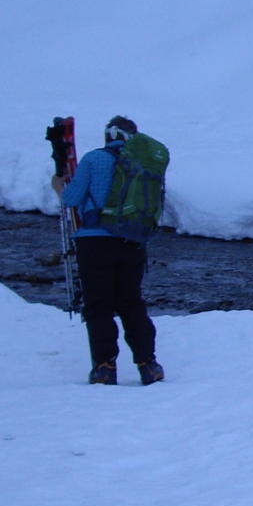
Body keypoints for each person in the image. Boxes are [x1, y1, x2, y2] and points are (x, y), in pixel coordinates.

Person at [55, 115, 163, 385]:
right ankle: (148, 365)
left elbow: (72, 198)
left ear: (110, 135)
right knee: (131, 302)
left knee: (98, 304)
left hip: (94, 242)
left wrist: (58, 186)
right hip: (132, 240)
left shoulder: (94, 159)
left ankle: (104, 367)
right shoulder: (144, 163)